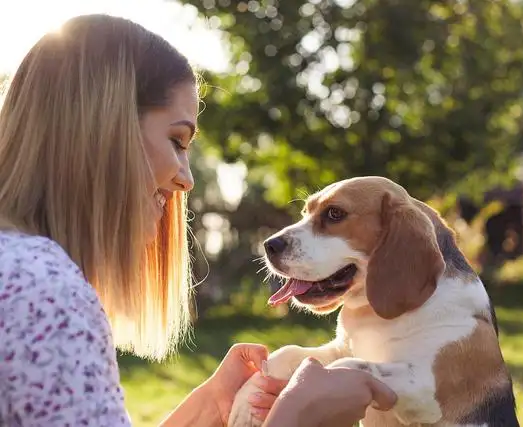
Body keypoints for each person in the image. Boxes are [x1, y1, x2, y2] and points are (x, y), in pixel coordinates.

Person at [0, 14, 396, 427]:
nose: (186, 179)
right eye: (176, 140)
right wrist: (296, 419)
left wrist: (209, 409)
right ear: (101, 131)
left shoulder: (20, 269)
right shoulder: (43, 292)